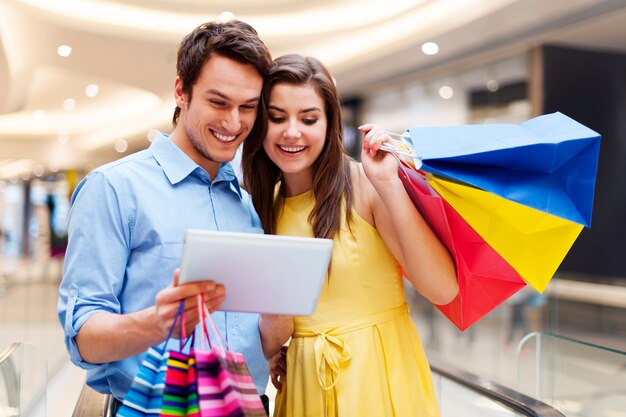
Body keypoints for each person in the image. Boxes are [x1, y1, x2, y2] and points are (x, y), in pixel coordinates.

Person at [57, 20, 273, 410]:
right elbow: (83, 338)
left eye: (248, 107)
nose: (233, 123)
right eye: (218, 102)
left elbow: (252, 336)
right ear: (181, 92)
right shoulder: (113, 188)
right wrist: (157, 323)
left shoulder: (245, 202)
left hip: (248, 406)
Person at [242, 54, 459, 417]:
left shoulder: (364, 183)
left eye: (309, 119)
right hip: (304, 387)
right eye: (277, 118)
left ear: (330, 123)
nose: (291, 132)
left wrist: (388, 182)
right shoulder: (263, 206)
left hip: (379, 379)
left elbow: (442, 289)